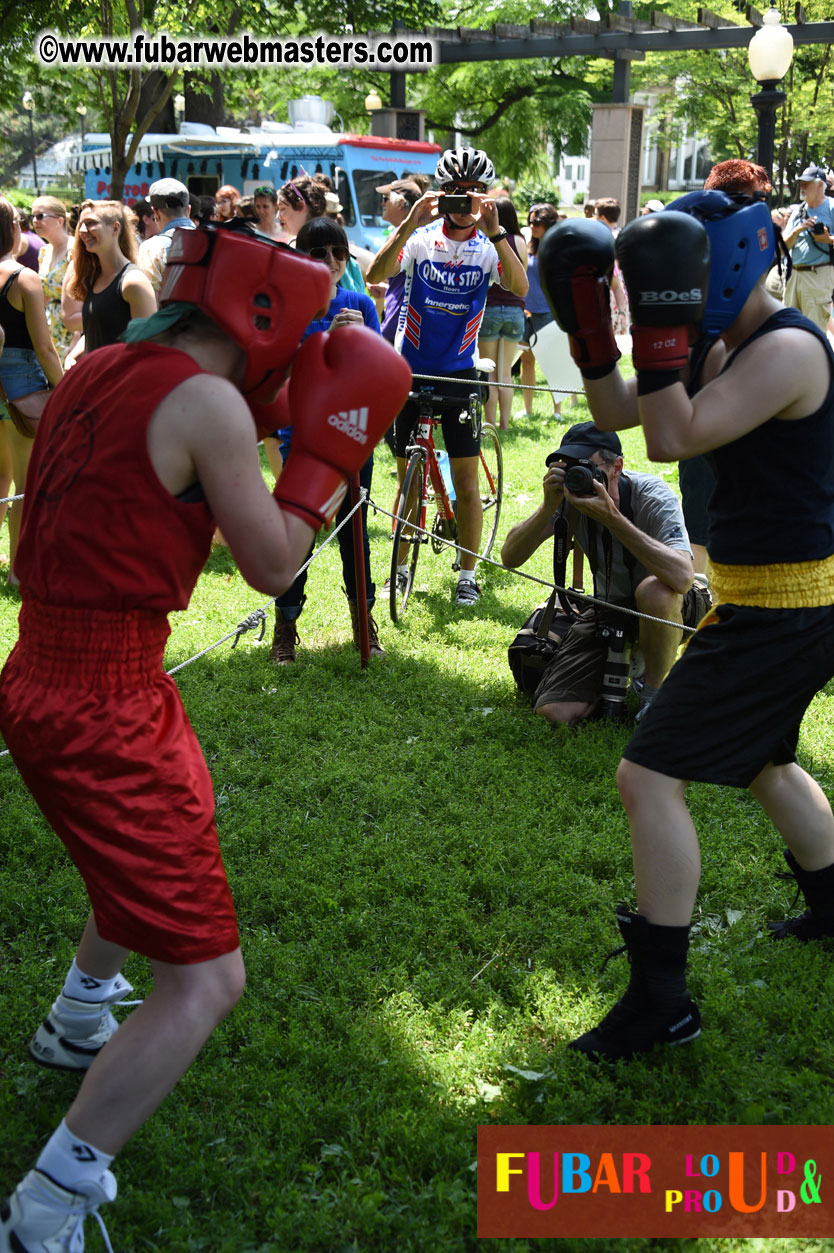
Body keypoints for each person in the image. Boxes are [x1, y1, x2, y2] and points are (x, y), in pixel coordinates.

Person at [0, 219, 411, 1250]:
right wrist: (324, 457)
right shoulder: (208, 401)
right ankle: (46, 1205)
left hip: (50, 665)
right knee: (208, 977)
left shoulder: (99, 363)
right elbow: (274, 565)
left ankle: (79, 1012)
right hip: (103, 699)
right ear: (264, 313)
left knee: (180, 813)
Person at [538, 188, 834, 1063]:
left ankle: (661, 1001)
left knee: (646, 774)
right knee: (766, 762)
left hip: (788, 604)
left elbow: (673, 439)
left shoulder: (787, 349)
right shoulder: (725, 340)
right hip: (767, 592)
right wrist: (592, 332)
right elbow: (627, 412)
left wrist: (660, 339)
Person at [366, 145, 528, 606]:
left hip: (460, 374)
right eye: (455, 192)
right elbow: (377, 272)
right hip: (409, 372)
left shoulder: (489, 244)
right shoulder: (420, 238)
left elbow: (519, 288)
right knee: (407, 483)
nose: (464, 201)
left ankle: (467, 574)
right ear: (440, 193)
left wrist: (498, 235)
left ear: (486, 197)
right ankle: (399, 568)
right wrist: (408, 223)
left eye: (474, 193)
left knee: (467, 483)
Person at [502, 421, 701, 725]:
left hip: (674, 605)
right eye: (567, 467)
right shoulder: (570, 500)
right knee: (555, 712)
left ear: (617, 466)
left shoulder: (651, 495)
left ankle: (654, 698)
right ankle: (623, 663)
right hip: (609, 609)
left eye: (586, 467)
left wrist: (613, 519)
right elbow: (510, 557)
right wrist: (547, 508)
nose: (578, 476)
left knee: (654, 591)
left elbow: (683, 578)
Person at [269, 216, 385, 662]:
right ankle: (285, 628)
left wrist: (359, 341)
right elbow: (286, 379)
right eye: (319, 252)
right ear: (302, 257)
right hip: (305, 439)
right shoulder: (290, 311)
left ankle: (364, 626)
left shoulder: (362, 305)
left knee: (356, 537)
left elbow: (378, 378)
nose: (332, 261)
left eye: (340, 252)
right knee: (298, 537)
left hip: (355, 438)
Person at [0, 198, 63, 578]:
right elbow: (44, 348)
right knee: (25, 482)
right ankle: (17, 569)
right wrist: (65, 390)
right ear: (12, 228)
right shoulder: (25, 278)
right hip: (23, 385)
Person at [63, 200, 156, 361]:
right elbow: (98, 329)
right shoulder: (94, 277)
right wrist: (74, 356)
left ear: (115, 228)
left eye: (91, 223)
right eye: (81, 225)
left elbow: (147, 348)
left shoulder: (133, 282)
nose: (83, 231)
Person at [478, 198, 527, 430]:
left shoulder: (488, 239)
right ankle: (505, 424)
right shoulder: (520, 241)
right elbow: (521, 278)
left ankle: (490, 423)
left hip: (490, 310)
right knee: (505, 372)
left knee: (489, 371)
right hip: (516, 311)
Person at [781, 164, 834, 332]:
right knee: (788, 330)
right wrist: (797, 230)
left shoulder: (832, 207)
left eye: (806, 183)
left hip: (817, 275)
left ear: (820, 185)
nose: (802, 187)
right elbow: (782, 247)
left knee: (813, 332)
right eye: (801, 183)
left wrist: (828, 239)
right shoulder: (798, 211)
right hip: (793, 276)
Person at [519, 202, 560, 418]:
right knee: (527, 361)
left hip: (549, 312)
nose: (532, 225)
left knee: (553, 363)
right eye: (530, 221)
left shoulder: (558, 250)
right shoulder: (528, 247)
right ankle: (527, 409)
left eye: (536, 222)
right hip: (526, 311)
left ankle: (557, 411)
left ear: (548, 223)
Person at [32, 194, 81, 362]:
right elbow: (44, 294)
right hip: (49, 328)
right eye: (33, 216)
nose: (35, 221)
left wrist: (77, 339)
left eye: (40, 216)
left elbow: (82, 294)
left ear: (60, 221)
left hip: (72, 329)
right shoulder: (44, 252)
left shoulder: (75, 249)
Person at [137, 178, 196, 296]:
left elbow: (150, 301)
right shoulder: (213, 242)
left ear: (156, 213)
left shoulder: (151, 249)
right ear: (188, 210)